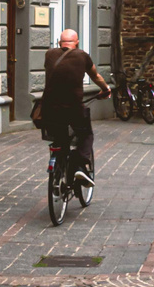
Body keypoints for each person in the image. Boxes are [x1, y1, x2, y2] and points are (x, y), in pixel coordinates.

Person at [41, 29, 109, 189]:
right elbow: (95, 76)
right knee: (86, 135)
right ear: (77, 42)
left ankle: (58, 174)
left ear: (59, 42)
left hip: (49, 109)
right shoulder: (82, 55)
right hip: (73, 108)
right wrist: (105, 89)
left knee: (60, 139)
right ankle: (79, 166)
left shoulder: (49, 54)